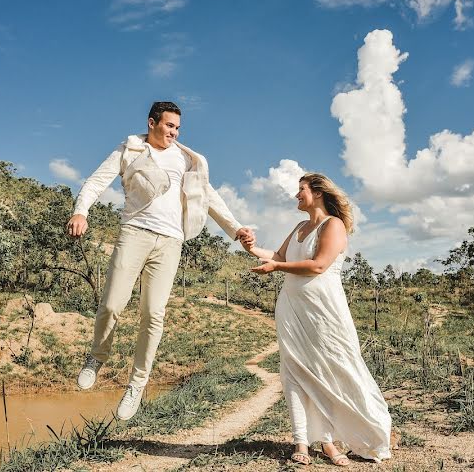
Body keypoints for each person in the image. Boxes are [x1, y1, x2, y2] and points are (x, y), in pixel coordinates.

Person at [66, 101, 254, 420]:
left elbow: (207, 196)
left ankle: (137, 384)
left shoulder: (185, 159)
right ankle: (97, 357)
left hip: (170, 241)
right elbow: (97, 181)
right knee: (112, 303)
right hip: (134, 232)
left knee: (153, 313)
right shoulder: (130, 149)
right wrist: (80, 210)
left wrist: (235, 229)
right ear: (152, 123)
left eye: (178, 128)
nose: (174, 133)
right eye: (169, 126)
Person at [243, 173, 391, 466]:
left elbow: (319, 264)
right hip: (292, 307)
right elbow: (276, 254)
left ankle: (330, 441)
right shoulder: (300, 226)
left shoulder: (333, 225)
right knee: (295, 371)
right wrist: (251, 247)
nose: (296, 196)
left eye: (301, 190)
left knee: (330, 371)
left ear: (318, 193)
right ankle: (301, 439)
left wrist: (276, 267)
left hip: (325, 312)